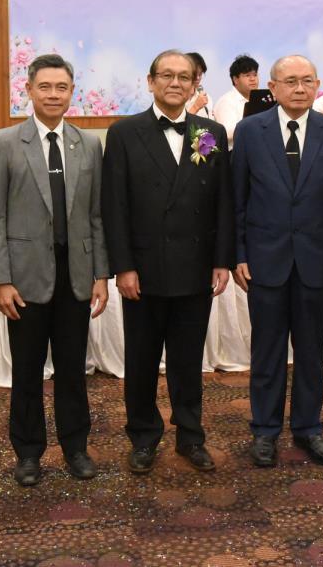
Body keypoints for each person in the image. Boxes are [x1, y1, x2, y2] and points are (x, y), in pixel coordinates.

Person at [103, 49, 235, 473]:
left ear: (195, 83)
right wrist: (123, 266)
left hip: (195, 266)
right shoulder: (124, 133)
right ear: (150, 81)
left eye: (184, 77)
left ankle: (191, 436)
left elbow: (222, 201)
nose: (175, 83)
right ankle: (143, 436)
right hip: (143, 270)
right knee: (141, 361)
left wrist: (222, 260)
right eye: (167, 75)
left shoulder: (210, 132)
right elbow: (114, 205)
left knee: (188, 360)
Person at [0, 54, 110, 487]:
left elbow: (96, 215)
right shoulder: (4, 142)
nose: (53, 95)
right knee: (27, 370)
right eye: (45, 87)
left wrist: (101, 274)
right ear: (29, 90)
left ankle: (76, 447)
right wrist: (0, 280)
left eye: (61, 87)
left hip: (76, 276)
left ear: (71, 92)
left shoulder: (88, 144)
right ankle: (28, 452)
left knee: (74, 369)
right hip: (24, 279)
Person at [232, 54, 323, 468]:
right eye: (290, 81)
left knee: (312, 350)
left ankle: (308, 428)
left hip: (317, 259)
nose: (299, 89)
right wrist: (239, 254)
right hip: (265, 259)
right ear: (273, 87)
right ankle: (265, 431)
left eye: (307, 81)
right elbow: (238, 197)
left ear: (318, 85)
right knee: (266, 351)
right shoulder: (250, 131)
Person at [212, 54, 259, 149]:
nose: (253, 79)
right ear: (235, 79)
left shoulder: (260, 99)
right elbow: (226, 133)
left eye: (255, 75)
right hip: (235, 154)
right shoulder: (226, 101)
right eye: (247, 75)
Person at [184, 51, 213, 116]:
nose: (197, 78)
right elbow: (177, 122)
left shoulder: (206, 98)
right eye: (194, 74)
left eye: (200, 74)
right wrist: (196, 107)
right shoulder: (176, 97)